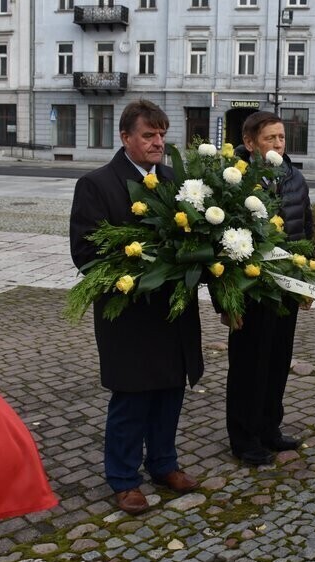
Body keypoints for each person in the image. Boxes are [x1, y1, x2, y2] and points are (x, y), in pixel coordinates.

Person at [69, 100, 204, 514]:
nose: (158, 142)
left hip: (173, 311)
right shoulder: (97, 184)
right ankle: (124, 479)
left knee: (169, 392)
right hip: (128, 314)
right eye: (149, 135)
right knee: (131, 399)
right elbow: (85, 252)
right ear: (126, 137)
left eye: (162, 135)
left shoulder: (176, 181)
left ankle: (164, 465)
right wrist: (145, 261)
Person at [224, 111, 314, 466]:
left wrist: (307, 282)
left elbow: (306, 229)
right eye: (269, 139)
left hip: (286, 289)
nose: (278, 144)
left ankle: (269, 428)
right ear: (249, 144)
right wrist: (227, 300)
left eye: (281, 138)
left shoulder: (295, 178)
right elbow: (222, 242)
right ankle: (244, 438)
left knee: (278, 361)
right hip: (250, 291)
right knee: (249, 365)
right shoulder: (234, 181)